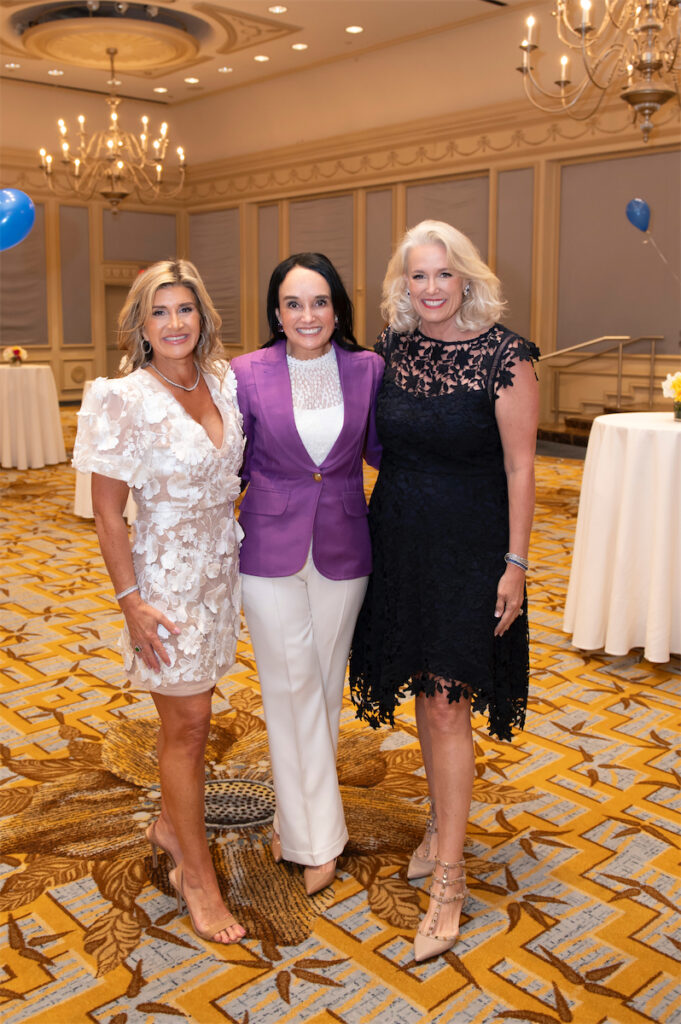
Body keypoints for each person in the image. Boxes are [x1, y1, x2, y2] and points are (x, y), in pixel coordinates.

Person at [348, 220, 539, 962]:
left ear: (466, 278)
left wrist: (515, 564)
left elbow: (522, 468)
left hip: (470, 547)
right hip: (399, 540)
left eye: (441, 275)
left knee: (450, 702)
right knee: (426, 696)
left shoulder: (505, 355)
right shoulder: (391, 350)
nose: (429, 289)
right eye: (416, 276)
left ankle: (450, 881)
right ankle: (437, 826)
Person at [72, 259, 246, 946]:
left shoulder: (223, 381)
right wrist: (130, 603)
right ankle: (193, 874)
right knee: (189, 725)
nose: (175, 324)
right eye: (160, 313)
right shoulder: (122, 397)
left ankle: (172, 825)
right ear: (141, 326)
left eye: (185, 310)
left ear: (202, 316)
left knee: (197, 715)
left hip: (219, 571)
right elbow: (109, 515)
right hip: (164, 581)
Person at [231, 252, 383, 895]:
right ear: (276, 313)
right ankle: (317, 839)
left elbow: (387, 449)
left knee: (321, 688)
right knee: (287, 688)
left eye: (319, 302)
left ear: (338, 309)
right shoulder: (244, 372)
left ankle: (298, 820)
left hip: (346, 548)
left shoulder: (368, 369)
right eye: (293, 303)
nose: (307, 315)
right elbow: (224, 461)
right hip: (266, 546)